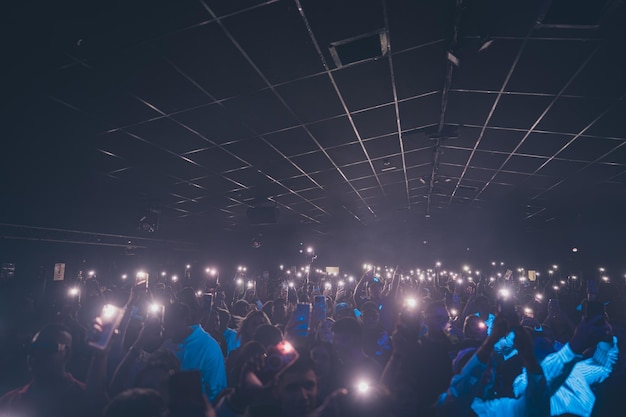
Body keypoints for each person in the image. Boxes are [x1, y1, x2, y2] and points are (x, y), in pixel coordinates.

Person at [0, 323, 96, 417]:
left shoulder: (87, 397)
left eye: (48, 347)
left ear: (67, 354)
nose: (36, 353)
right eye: (33, 347)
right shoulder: (8, 402)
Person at [161, 302, 227, 402]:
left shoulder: (208, 346)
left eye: (171, 324)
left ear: (186, 321)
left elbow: (216, 389)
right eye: (165, 323)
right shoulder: (167, 345)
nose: (166, 328)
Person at [331, 318, 382, 389]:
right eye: (335, 340)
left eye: (339, 339)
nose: (335, 344)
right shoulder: (335, 368)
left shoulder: (373, 369)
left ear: (355, 338)